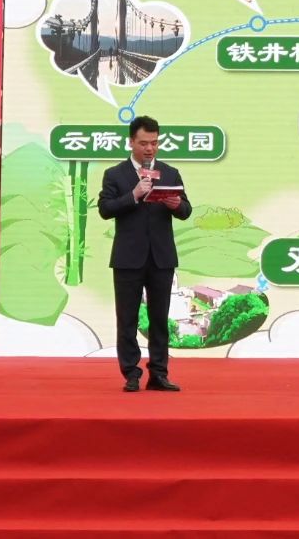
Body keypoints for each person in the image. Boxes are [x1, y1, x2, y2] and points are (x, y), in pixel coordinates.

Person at [98, 116, 192, 392]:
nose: (150, 149)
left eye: (154, 143)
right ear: (131, 142)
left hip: (161, 258)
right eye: (143, 143)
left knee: (160, 319)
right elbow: (105, 209)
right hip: (128, 258)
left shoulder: (170, 173)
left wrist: (176, 205)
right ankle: (131, 373)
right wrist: (134, 195)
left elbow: (186, 210)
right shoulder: (115, 174)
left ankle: (159, 373)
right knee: (127, 319)